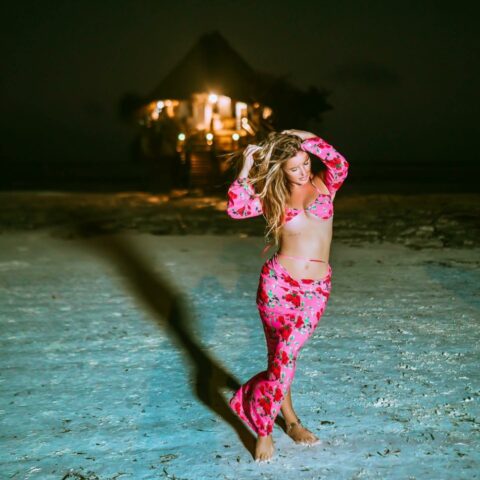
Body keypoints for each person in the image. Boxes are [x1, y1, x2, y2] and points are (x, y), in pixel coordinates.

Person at [225, 129, 349, 462]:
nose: (303, 171)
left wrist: (298, 136)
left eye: (306, 163)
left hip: (315, 290)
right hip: (277, 285)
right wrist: (246, 167)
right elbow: (236, 208)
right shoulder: (274, 197)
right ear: (280, 169)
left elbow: (339, 162)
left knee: (286, 356)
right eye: (294, 168)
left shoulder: (325, 184)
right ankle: (278, 426)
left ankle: (252, 403)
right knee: (281, 359)